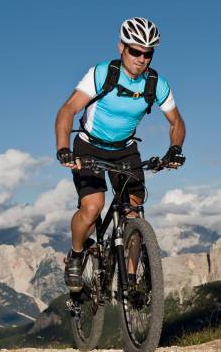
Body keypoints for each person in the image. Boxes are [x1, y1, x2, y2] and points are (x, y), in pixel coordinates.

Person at [54, 17, 186, 291]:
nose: (141, 59)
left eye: (147, 53)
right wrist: (63, 149)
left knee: (135, 214)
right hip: (88, 146)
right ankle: (77, 255)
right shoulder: (103, 74)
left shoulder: (156, 84)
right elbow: (68, 110)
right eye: (135, 51)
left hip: (125, 150)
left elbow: (176, 122)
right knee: (92, 208)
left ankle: (130, 280)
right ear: (121, 48)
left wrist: (174, 149)